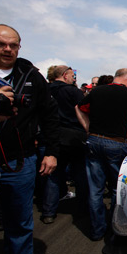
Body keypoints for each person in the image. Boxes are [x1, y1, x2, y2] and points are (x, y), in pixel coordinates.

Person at [0, 24, 60, 254]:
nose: (7, 49)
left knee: (19, 221)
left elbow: (50, 115)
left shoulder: (31, 75)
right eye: (0, 44)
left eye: (13, 45)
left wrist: (52, 151)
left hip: (21, 160)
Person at [75, 68, 127, 241]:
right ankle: (115, 229)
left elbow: (79, 108)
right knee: (117, 187)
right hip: (116, 143)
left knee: (95, 189)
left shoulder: (97, 90)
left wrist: (88, 129)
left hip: (94, 141)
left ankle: (97, 230)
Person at [42, 65, 88, 224]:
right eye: (71, 76)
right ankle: (83, 209)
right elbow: (84, 110)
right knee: (80, 174)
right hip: (74, 135)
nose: (73, 78)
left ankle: (48, 212)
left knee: (53, 175)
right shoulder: (72, 91)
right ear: (64, 75)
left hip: (52, 136)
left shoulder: (45, 90)